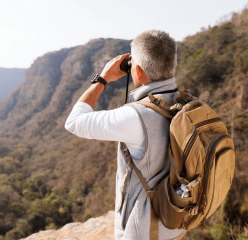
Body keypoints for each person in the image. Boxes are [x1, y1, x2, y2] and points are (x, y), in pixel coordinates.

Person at [65, 30, 185, 240]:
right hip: (176, 221)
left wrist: (102, 78)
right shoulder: (185, 103)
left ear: (136, 71)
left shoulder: (135, 117)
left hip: (144, 230)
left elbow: (74, 122)